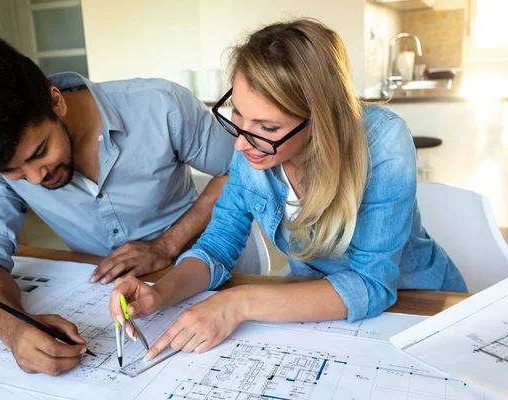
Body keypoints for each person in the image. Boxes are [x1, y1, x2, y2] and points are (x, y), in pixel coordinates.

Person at [109, 19, 467, 360]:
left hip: (419, 308)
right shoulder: (251, 149)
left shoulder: (382, 142)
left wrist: (237, 303)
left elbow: (371, 285)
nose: (240, 144)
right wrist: (161, 293)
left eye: (266, 126)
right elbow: (217, 247)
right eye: (237, 113)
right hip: (319, 311)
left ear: (320, 119)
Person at [0, 33, 234, 375]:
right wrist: (13, 330)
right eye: (12, 170)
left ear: (57, 102)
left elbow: (241, 171)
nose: (35, 178)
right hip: (123, 300)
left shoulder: (160, 105)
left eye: (39, 152)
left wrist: (166, 244)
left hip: (219, 271)